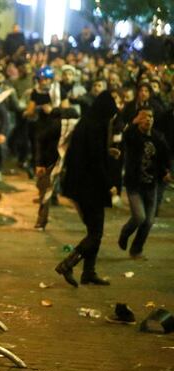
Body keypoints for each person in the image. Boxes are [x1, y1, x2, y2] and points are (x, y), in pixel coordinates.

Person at [56, 91, 120, 287]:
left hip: (81, 185)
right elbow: (94, 161)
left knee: (94, 230)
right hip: (89, 188)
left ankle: (89, 272)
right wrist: (109, 183)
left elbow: (89, 154)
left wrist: (106, 152)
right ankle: (68, 264)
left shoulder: (87, 123)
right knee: (96, 233)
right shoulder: (95, 127)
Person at [118, 108, 172, 258]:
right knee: (139, 217)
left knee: (148, 221)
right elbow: (125, 134)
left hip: (151, 185)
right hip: (134, 184)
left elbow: (165, 158)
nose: (148, 119)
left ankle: (136, 250)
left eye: (151, 117)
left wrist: (166, 172)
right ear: (138, 120)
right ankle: (125, 232)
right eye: (144, 117)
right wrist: (132, 123)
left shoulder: (158, 138)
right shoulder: (133, 135)